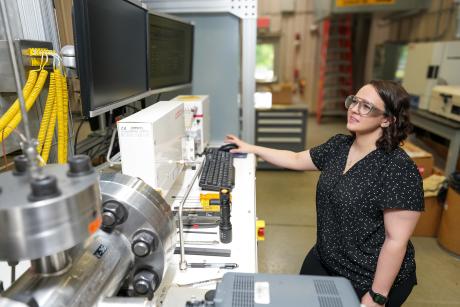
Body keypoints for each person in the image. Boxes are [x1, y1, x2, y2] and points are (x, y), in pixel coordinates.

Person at [225, 80, 424, 307]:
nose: (354, 109)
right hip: (326, 256)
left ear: (387, 119)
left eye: (366, 106)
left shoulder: (398, 168)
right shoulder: (339, 146)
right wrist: (251, 148)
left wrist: (377, 296)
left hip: (367, 275)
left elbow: (396, 240)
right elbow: (296, 159)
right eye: (354, 101)